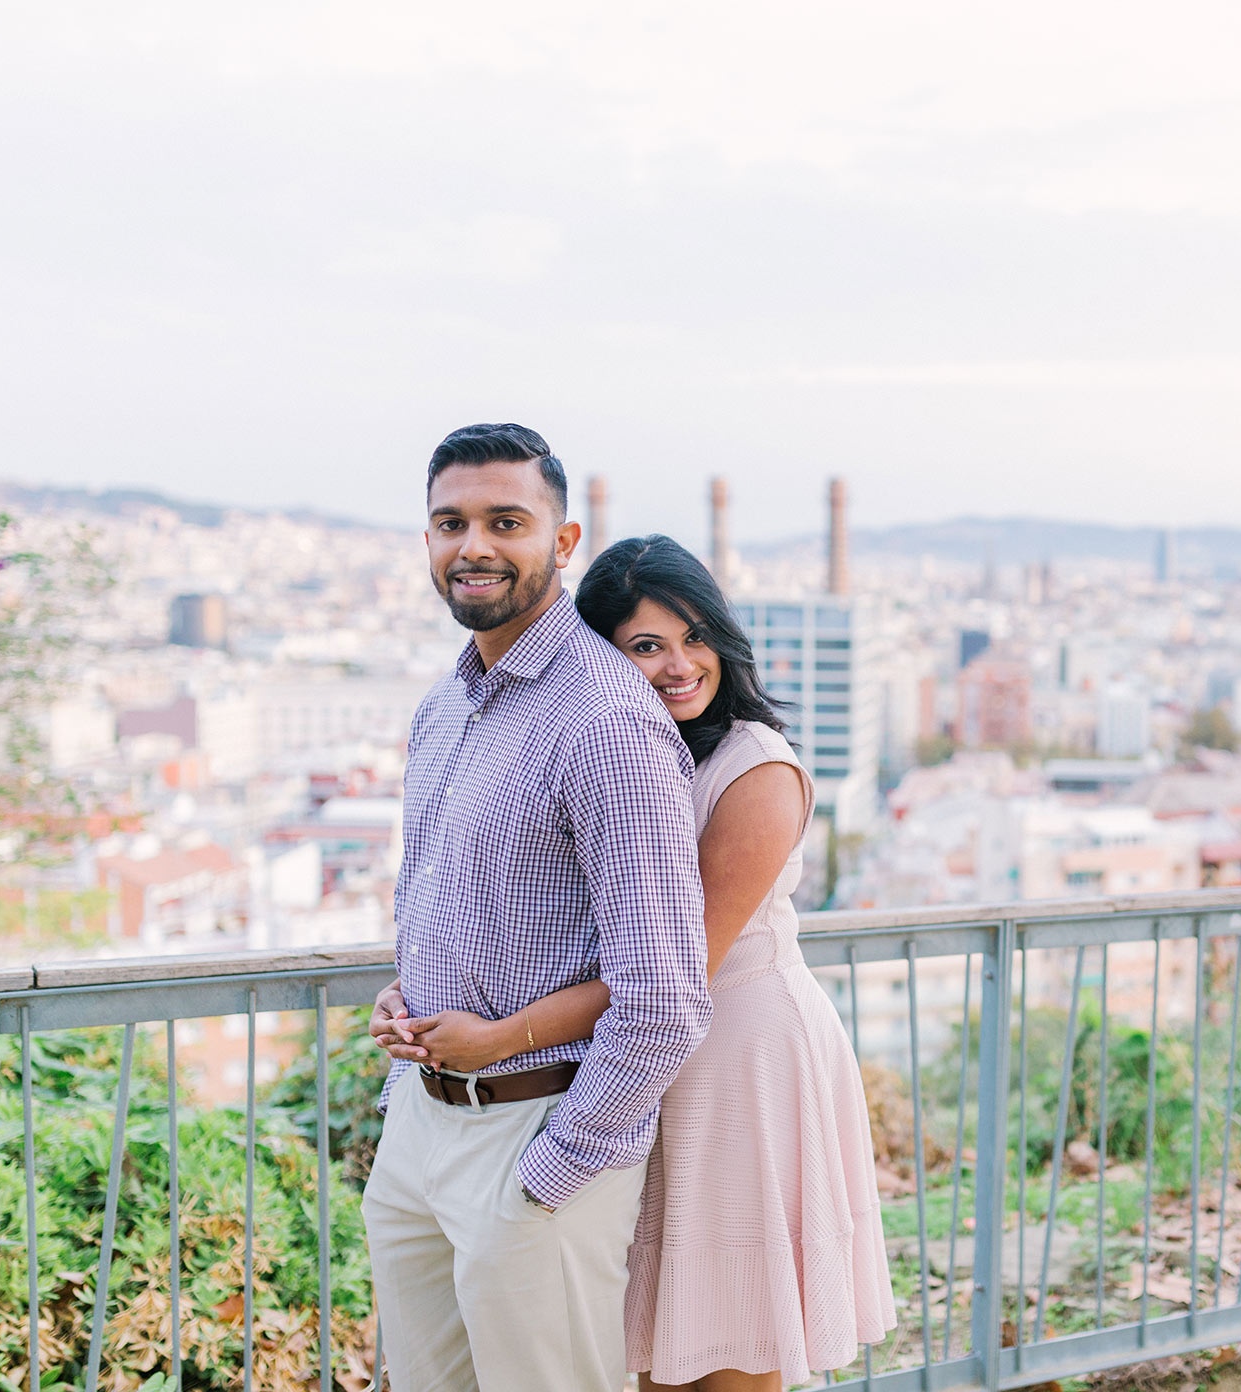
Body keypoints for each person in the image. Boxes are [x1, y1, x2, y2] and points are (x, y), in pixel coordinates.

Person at [373, 534, 894, 1392]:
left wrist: (500, 1037)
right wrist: (421, 991)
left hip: (732, 1060)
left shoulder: (753, 771)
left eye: (695, 638)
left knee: (730, 1333)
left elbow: (678, 971)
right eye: (645, 646)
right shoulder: (614, 744)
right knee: (637, 1340)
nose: (680, 666)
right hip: (624, 1062)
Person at [360, 425, 712, 1392]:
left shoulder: (606, 719)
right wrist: (406, 998)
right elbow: (450, 911)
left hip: (534, 1131)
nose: (473, 545)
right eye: (450, 523)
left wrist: (554, 1173)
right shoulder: (443, 710)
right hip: (421, 1135)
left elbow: (667, 994)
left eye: (505, 521)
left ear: (562, 544)